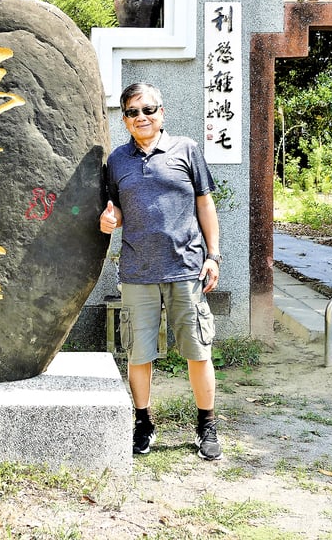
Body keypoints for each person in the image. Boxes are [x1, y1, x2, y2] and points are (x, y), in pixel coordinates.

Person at [99, 82, 222, 461]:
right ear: (124, 120)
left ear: (162, 113)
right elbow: (115, 210)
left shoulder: (186, 150)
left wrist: (213, 255)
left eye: (148, 109)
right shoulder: (116, 161)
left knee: (198, 351)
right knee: (139, 354)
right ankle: (143, 422)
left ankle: (206, 424)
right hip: (137, 271)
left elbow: (205, 205)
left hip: (186, 267)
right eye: (133, 112)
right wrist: (110, 220)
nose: (142, 117)